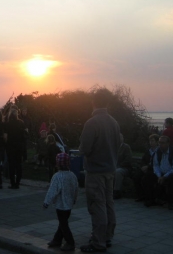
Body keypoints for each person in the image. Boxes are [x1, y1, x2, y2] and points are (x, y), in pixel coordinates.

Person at [79, 88, 120, 253]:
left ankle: (98, 241)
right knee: (109, 203)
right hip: (110, 170)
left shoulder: (91, 123)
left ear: (93, 102)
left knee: (97, 205)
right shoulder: (114, 122)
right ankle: (108, 235)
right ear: (108, 103)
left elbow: (85, 149)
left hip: (95, 171)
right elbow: (118, 145)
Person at [43, 153, 79, 252]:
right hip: (69, 204)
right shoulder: (72, 175)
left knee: (63, 224)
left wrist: (46, 202)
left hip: (61, 205)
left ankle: (70, 242)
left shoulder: (57, 176)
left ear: (58, 164)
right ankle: (57, 239)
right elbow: (76, 188)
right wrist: (75, 199)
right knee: (63, 223)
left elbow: (52, 190)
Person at [143, 136, 173, 210]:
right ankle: (151, 199)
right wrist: (159, 176)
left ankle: (170, 202)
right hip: (161, 173)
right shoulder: (157, 152)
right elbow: (155, 165)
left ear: (168, 143)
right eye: (160, 143)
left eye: (163, 143)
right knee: (147, 177)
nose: (161, 145)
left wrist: (165, 176)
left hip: (171, 173)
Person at [133, 134, 159, 202]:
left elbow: (158, 163)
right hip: (146, 168)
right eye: (150, 141)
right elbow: (143, 160)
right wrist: (142, 166)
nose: (151, 142)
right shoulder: (148, 151)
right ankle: (141, 195)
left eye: (153, 141)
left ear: (157, 142)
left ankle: (150, 197)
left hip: (154, 170)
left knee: (146, 179)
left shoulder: (159, 151)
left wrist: (148, 167)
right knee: (136, 177)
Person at [5, 109, 26, 189]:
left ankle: (12, 183)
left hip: (10, 147)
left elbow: (5, 137)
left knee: (12, 166)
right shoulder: (21, 123)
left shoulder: (8, 124)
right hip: (19, 146)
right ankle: (18, 182)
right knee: (18, 165)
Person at [113, 134, 133, 199]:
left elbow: (128, 160)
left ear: (122, 138)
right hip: (114, 167)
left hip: (125, 168)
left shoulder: (126, 147)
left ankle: (117, 191)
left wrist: (119, 166)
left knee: (118, 172)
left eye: (120, 138)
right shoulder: (113, 147)